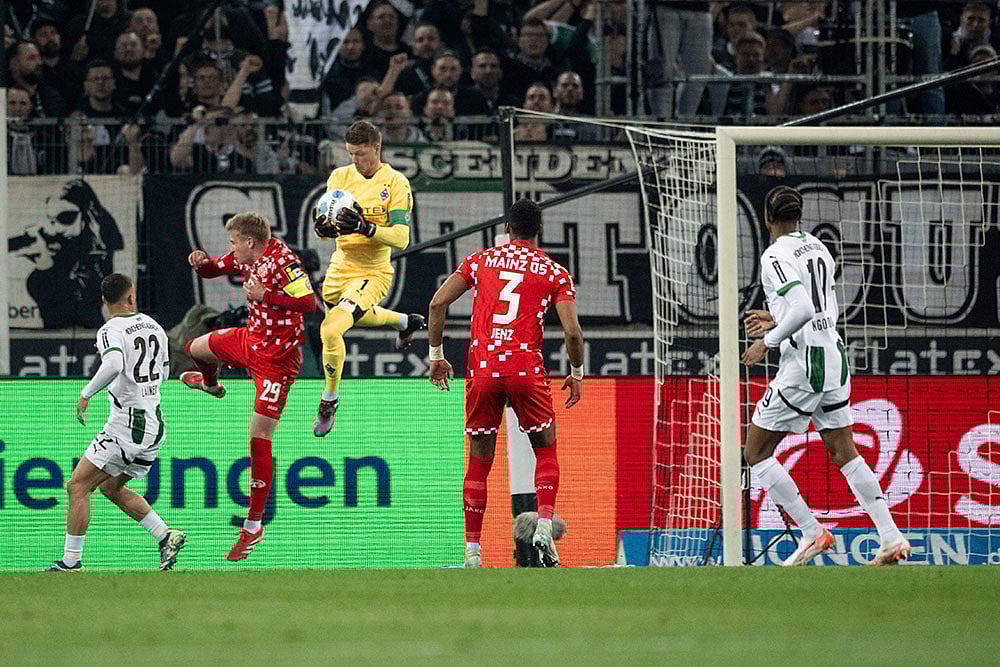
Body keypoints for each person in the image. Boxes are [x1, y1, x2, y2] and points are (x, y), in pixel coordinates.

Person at [742, 185, 911, 567]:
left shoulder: (774, 255)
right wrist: (776, 317)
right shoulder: (818, 247)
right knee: (844, 452)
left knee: (756, 453)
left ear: (768, 217)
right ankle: (890, 536)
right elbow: (822, 311)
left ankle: (811, 532)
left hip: (805, 366)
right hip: (834, 357)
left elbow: (802, 308)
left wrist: (767, 341)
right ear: (798, 215)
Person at [426, 198, 584, 568]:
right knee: (545, 450)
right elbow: (573, 332)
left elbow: (436, 304)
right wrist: (576, 373)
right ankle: (543, 524)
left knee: (479, 462)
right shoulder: (554, 272)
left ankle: (472, 551)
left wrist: (436, 356)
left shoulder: (479, 261)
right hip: (526, 369)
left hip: (483, 370)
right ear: (539, 230)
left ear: (507, 228)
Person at [181, 212, 318, 560]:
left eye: (233, 242)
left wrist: (266, 295)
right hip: (250, 340)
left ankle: (253, 526)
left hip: (278, 360)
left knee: (259, 436)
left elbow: (309, 303)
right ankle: (211, 385)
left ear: (250, 242)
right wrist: (201, 263)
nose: (231, 249)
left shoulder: (284, 262)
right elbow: (214, 268)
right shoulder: (246, 258)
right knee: (194, 348)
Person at [46, 273, 186, 572]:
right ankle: (165, 535)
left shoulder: (110, 329)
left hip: (128, 426)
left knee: (77, 486)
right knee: (111, 488)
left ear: (103, 301)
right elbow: (163, 374)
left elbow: (113, 364)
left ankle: (71, 561)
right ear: (131, 297)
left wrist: (86, 393)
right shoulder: (155, 326)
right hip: (154, 426)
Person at [312, 120, 424, 437]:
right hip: (340, 268)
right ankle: (406, 322)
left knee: (331, 329)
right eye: (350, 154)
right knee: (353, 314)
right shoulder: (339, 177)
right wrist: (322, 230)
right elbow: (327, 230)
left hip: (372, 272)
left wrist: (367, 227)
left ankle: (329, 399)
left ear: (376, 148)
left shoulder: (396, 183)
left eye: (360, 154)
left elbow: (401, 238)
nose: (355, 160)